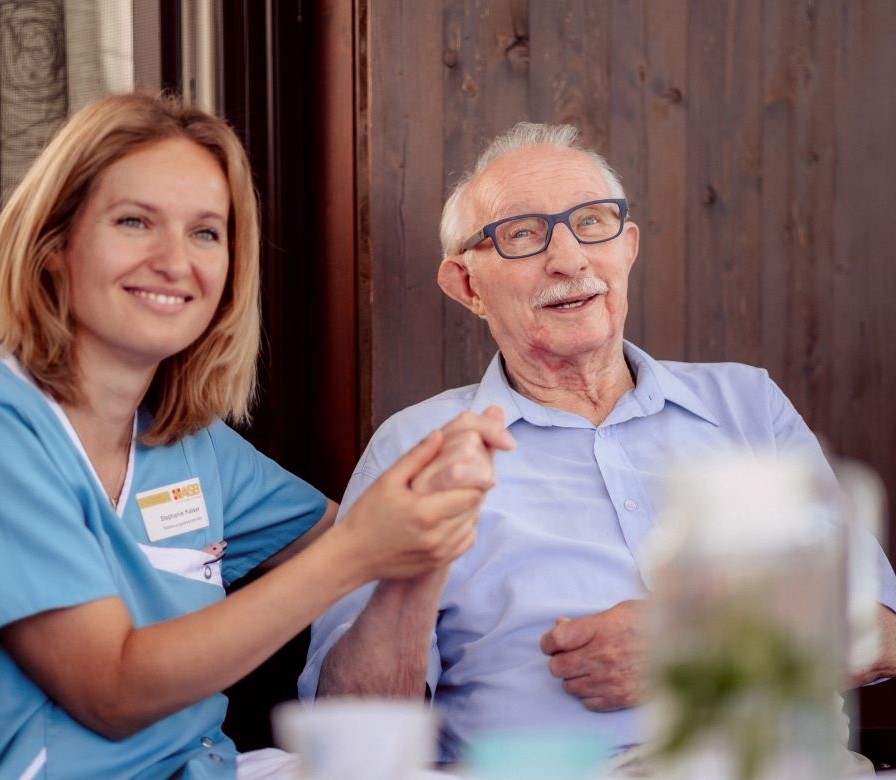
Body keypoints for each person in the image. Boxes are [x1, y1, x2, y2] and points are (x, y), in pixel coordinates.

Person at [0, 92, 514, 779]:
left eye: (206, 232)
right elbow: (108, 691)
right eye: (135, 221)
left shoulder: (184, 436)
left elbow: (345, 532)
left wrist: (436, 499)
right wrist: (360, 551)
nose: (177, 262)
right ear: (54, 244)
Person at [299, 121, 896, 763]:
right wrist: (414, 569)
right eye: (522, 234)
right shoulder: (417, 447)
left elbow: (881, 635)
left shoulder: (747, 406)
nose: (569, 258)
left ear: (627, 246)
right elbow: (351, 720)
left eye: (591, 223)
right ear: (467, 285)